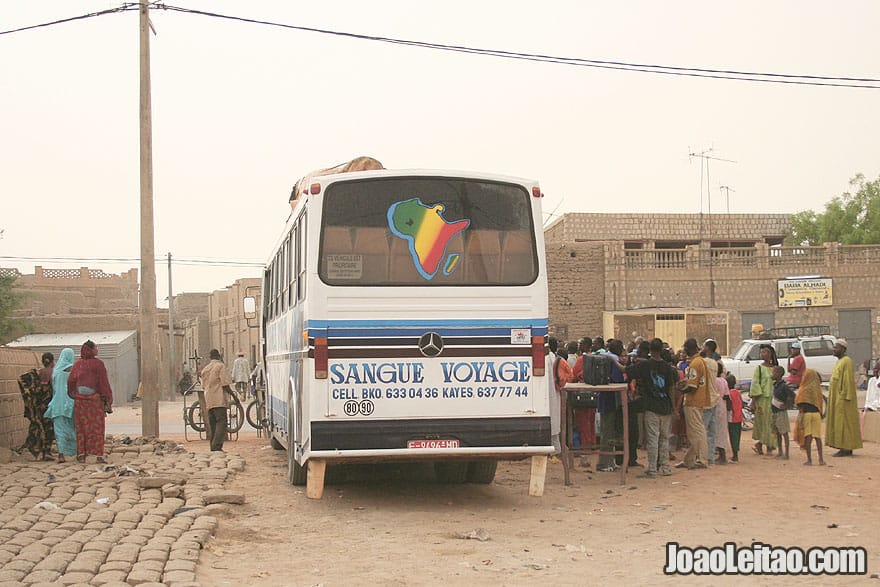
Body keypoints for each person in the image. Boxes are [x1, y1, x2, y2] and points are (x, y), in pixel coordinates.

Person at [623, 338, 675, 478]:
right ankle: (665, 467)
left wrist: (611, 360)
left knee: (653, 438)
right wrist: (673, 407)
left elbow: (625, 370)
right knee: (664, 439)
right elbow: (671, 388)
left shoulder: (645, 365)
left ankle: (652, 469)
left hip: (652, 406)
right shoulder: (667, 367)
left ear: (650, 350)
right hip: (666, 406)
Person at [68, 340, 113, 463]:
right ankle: (98, 455)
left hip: (80, 402)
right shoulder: (98, 364)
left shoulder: (77, 365)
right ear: (91, 350)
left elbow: (71, 381)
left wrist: (75, 394)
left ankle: (82, 454)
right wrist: (107, 398)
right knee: (97, 427)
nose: (97, 350)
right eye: (95, 348)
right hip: (94, 401)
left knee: (81, 427)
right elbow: (103, 382)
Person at [675, 338, 711, 470]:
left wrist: (680, 390)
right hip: (697, 400)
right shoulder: (699, 361)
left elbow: (693, 387)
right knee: (693, 433)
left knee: (697, 432)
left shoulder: (695, 363)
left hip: (693, 401)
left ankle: (702, 460)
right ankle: (689, 459)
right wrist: (685, 382)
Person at [825, 339, 862, 457]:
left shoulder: (847, 361)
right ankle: (842, 446)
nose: (834, 350)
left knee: (845, 423)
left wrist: (845, 397)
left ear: (843, 349)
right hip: (837, 397)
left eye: (836, 348)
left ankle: (846, 448)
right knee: (839, 422)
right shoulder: (840, 362)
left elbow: (848, 381)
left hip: (843, 399)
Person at [16, 352, 56, 461]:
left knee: (37, 428)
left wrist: (29, 394)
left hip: (36, 407)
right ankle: (46, 452)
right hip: (47, 407)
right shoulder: (53, 373)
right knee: (48, 428)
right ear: (52, 361)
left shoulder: (35, 373)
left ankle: (36, 451)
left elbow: (20, 379)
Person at [44, 348, 76, 463]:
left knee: (59, 430)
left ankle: (61, 455)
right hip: (70, 403)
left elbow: (54, 388)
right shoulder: (73, 370)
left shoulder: (56, 372)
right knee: (72, 428)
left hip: (57, 404)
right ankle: (74, 452)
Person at [201, 348, 234, 452]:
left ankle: (213, 446)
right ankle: (216, 446)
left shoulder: (205, 369)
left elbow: (203, 385)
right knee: (222, 422)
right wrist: (234, 396)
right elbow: (225, 384)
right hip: (218, 399)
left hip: (208, 400)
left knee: (213, 424)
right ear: (219, 356)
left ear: (210, 357)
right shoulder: (220, 366)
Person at [749, 344, 778, 456]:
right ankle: (763, 444)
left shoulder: (775, 368)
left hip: (773, 399)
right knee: (763, 423)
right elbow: (755, 384)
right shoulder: (759, 369)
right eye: (761, 352)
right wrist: (753, 401)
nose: (762, 354)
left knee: (771, 423)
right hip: (762, 400)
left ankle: (767, 445)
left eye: (765, 352)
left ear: (770, 354)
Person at [795, 368, 825, 466]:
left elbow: (798, 402)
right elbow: (820, 403)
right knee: (818, 437)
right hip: (816, 415)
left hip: (807, 415)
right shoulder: (818, 390)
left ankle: (809, 460)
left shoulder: (803, 389)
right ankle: (821, 459)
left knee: (808, 437)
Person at [549, 337, 571, 456]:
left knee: (554, 424)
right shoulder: (555, 359)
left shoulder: (551, 359)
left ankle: (557, 451)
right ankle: (557, 450)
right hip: (556, 394)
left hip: (552, 394)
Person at [770, 365, 791, 460]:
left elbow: (792, 396)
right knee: (777, 432)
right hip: (775, 411)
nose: (772, 374)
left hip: (781, 412)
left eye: (774, 372)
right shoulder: (775, 385)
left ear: (778, 374)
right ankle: (780, 452)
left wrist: (786, 405)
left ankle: (786, 453)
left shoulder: (784, 386)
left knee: (784, 433)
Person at [725, 373, 743, 462]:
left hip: (732, 418)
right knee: (737, 435)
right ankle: (736, 453)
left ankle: (735, 455)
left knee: (733, 436)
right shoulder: (737, 392)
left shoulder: (729, 394)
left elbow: (729, 407)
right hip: (739, 417)